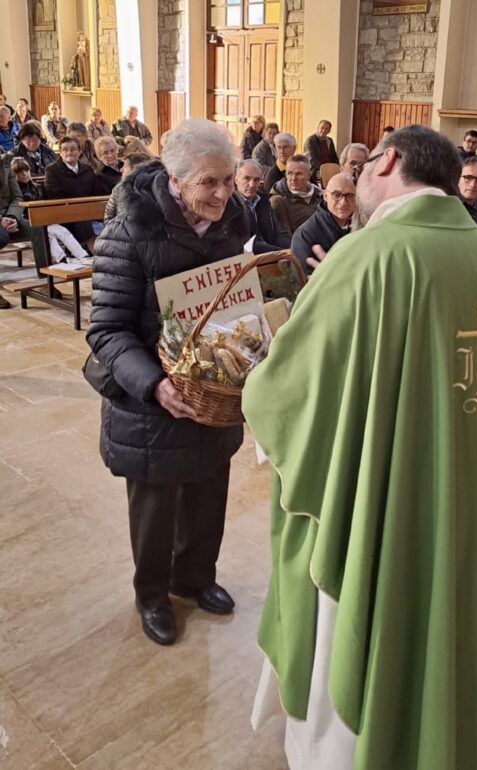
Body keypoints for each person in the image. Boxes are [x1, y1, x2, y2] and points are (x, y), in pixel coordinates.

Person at [243, 125, 477, 770]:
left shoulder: (370, 253)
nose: (355, 183)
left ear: (389, 163)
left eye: (365, 166)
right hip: (471, 487)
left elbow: (291, 387)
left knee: (365, 602)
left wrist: (256, 381)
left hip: (392, 501)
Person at [87, 119, 248, 646]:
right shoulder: (131, 228)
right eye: (209, 182)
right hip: (150, 400)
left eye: (228, 179)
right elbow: (107, 330)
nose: (223, 193)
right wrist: (155, 384)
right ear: (175, 181)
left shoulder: (233, 220)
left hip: (212, 391)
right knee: (155, 510)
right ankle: (153, 594)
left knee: (209, 492)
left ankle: (195, 577)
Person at [11, 158, 90, 264]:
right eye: (20, 172)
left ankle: (83, 256)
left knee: (62, 231)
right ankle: (62, 259)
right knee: (47, 233)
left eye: (26, 170)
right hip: (28, 223)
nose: (24, 174)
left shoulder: (38, 187)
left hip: (44, 220)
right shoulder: (15, 191)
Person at [291, 172, 355, 275]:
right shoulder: (304, 235)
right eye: (336, 195)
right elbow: (305, 282)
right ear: (325, 196)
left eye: (350, 196)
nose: (343, 202)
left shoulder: (362, 227)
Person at [45, 135, 98, 246]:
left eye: (73, 149)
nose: (69, 153)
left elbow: (95, 192)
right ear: (60, 152)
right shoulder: (52, 170)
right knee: (83, 223)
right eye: (65, 150)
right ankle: (89, 252)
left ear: (79, 151)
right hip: (64, 213)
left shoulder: (87, 169)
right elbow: (54, 194)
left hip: (87, 212)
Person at [0, 159, 36, 308]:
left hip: (10, 215)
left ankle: (46, 279)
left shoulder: (4, 165)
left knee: (39, 228)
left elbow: (17, 197)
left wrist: (12, 217)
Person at [234, 158, 291, 253]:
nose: (252, 184)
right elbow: (248, 244)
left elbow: (279, 233)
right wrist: (281, 253)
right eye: (246, 178)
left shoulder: (263, 201)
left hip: (274, 256)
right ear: (236, 179)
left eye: (256, 180)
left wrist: (291, 249)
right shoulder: (231, 206)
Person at [269, 154, 323, 235]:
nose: (293, 178)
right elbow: (284, 236)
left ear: (309, 176)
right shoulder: (278, 201)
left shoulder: (319, 195)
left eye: (299, 174)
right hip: (298, 245)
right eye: (290, 173)